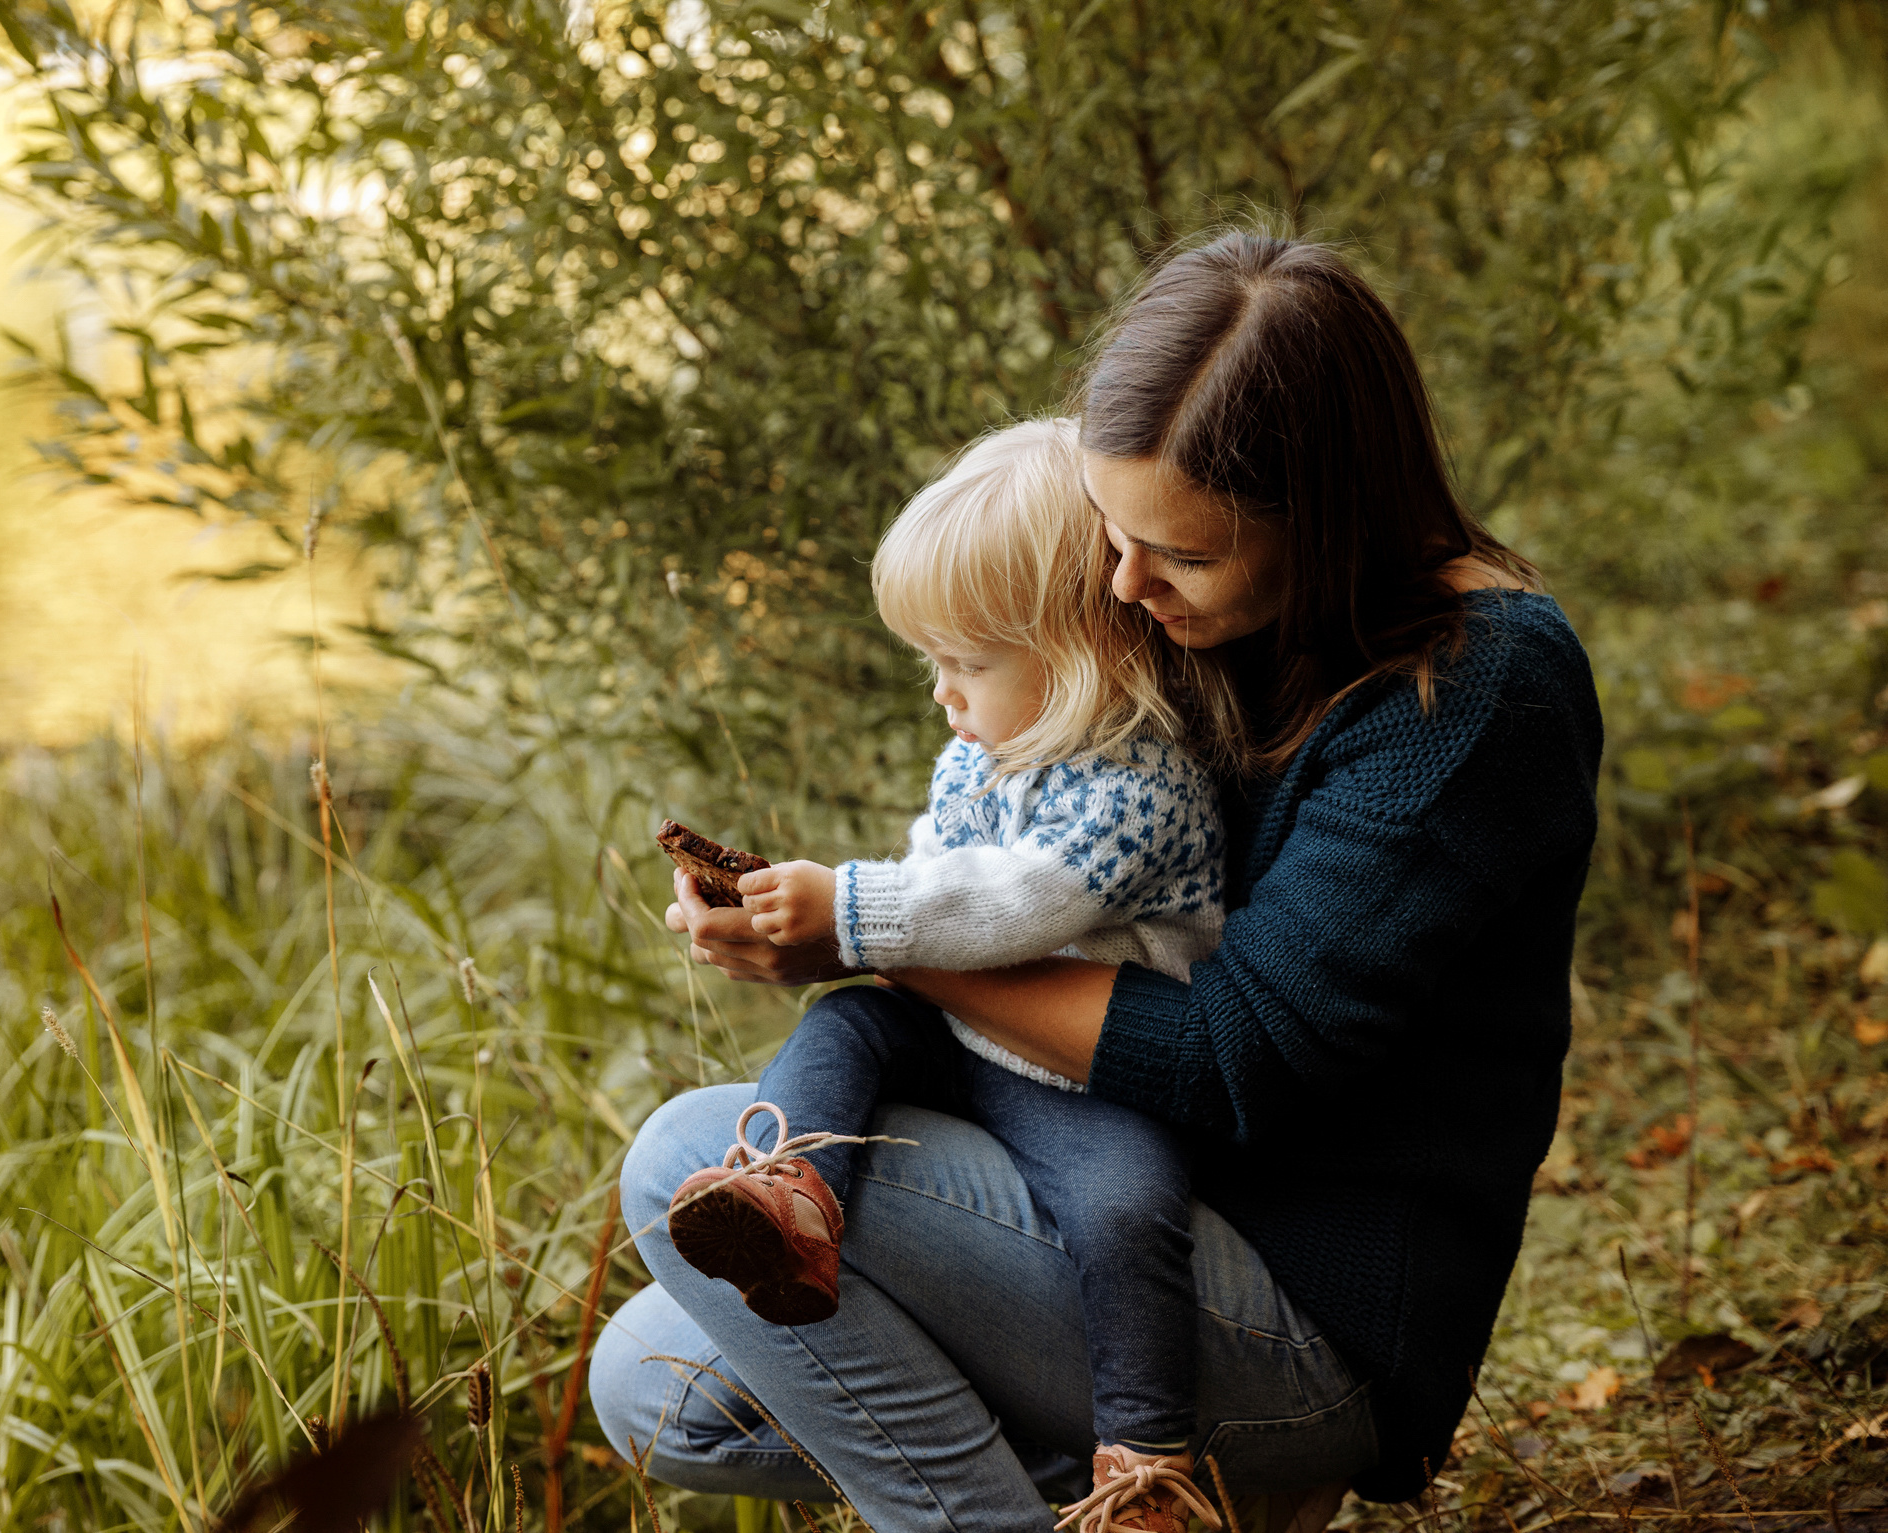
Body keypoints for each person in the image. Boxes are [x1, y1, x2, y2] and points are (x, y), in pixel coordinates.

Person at [590, 230, 1602, 1533]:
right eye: (1117, 539)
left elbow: (1239, 1055)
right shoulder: (1240, 618)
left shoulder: (1475, 691)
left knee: (682, 1150)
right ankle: (1156, 1502)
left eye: (1175, 554)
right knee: (660, 1377)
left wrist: (867, 935)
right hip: (1133, 1220)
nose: (1128, 586)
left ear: (1324, 517)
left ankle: (1157, 1473)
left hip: (1308, 1313)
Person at [663, 418, 1227, 1533]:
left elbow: (1015, 902)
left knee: (1127, 1212)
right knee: (847, 1027)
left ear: (1087, 657)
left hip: (1088, 1076)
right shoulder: (980, 751)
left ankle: (1145, 1466)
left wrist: (850, 909)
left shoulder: (1144, 787)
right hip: (969, 1041)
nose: (941, 693)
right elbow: (942, 863)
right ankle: (786, 1188)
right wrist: (822, 924)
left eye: (967, 664)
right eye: (935, 663)